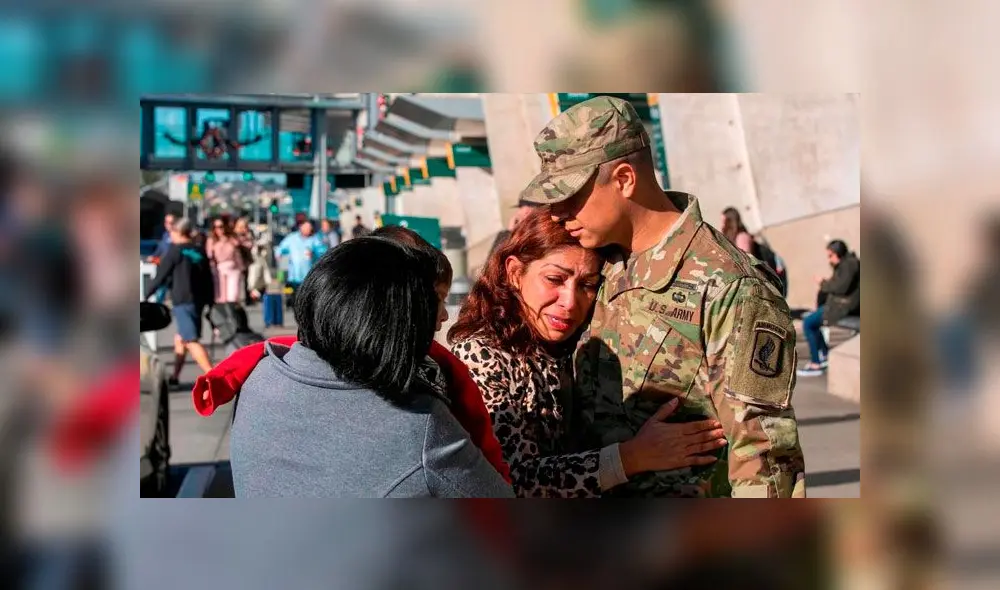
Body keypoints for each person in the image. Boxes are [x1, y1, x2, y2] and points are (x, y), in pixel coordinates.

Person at [526, 95, 806, 497]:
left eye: (570, 196)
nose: (557, 213)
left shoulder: (729, 285)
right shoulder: (599, 265)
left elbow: (764, 454)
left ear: (624, 180)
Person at [192, 224, 511, 484]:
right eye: (432, 303)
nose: (442, 317)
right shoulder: (419, 422)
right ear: (395, 315)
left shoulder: (256, 381)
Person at [448, 209, 728, 497]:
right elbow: (514, 480)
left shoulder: (577, 342)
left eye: (587, 285)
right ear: (515, 273)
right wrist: (631, 457)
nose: (570, 302)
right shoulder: (479, 355)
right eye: (555, 279)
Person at [142, 219, 215, 385]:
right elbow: (208, 278)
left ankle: (213, 374)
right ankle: (175, 376)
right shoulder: (199, 251)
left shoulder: (175, 251)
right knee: (180, 338)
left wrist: (146, 294)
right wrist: (210, 301)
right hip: (198, 299)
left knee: (190, 339)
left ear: (178, 233)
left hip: (182, 299)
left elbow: (161, 275)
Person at [798, 240, 860, 377]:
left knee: (808, 323)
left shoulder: (849, 266)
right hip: (837, 306)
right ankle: (824, 355)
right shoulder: (845, 265)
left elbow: (840, 287)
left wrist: (823, 283)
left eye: (830, 255)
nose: (829, 259)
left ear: (838, 254)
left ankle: (816, 363)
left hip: (843, 308)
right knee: (811, 322)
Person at [274, 219, 327, 308]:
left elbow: (323, 251)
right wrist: (278, 254)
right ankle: (292, 303)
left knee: (306, 297)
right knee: (293, 294)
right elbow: (281, 247)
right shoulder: (292, 238)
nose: (308, 230)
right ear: (301, 227)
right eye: (306, 228)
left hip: (308, 274)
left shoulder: (314, 239)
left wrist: (314, 253)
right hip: (294, 274)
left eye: (310, 228)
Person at [207, 217, 246, 304]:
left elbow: (239, 253)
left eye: (221, 226)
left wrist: (242, 268)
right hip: (218, 270)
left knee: (232, 296)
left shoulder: (232, 239)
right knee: (221, 297)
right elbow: (209, 256)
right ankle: (222, 315)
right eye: (216, 227)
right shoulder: (211, 240)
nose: (219, 229)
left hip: (233, 269)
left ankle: (232, 313)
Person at [148, 213, 176, 303]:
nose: (168, 225)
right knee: (161, 293)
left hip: (173, 271)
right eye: (166, 222)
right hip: (163, 269)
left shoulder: (176, 236)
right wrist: (153, 257)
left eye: (171, 223)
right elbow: (160, 249)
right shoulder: (165, 235)